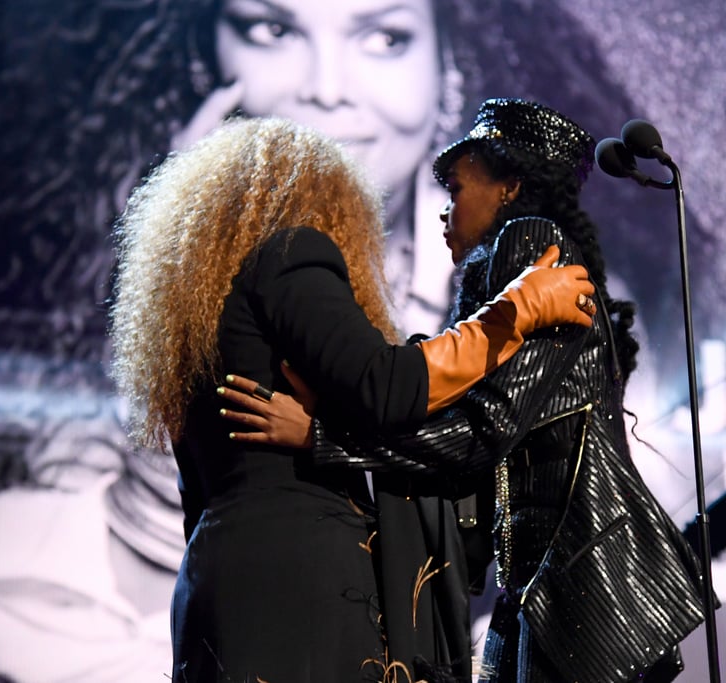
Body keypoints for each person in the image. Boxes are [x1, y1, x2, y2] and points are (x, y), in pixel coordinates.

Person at [218, 99, 709, 683]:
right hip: (554, 584)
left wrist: (321, 438)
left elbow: (481, 432)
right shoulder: (504, 268)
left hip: (588, 585)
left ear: (509, 187)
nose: (443, 213)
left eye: (455, 190)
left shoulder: (531, 242)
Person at [108, 116, 597, 682]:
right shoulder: (291, 253)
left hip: (214, 576)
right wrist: (520, 309)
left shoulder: (200, 315)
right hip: (302, 571)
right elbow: (389, 386)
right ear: (326, 197)